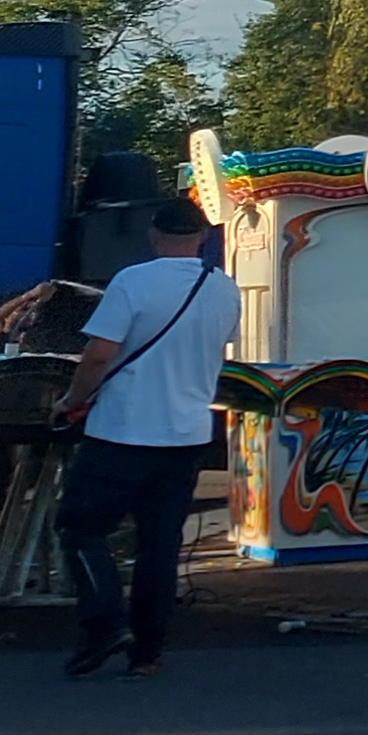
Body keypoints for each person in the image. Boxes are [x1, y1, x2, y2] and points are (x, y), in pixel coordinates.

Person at [49, 199, 237, 680]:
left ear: (153, 236)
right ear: (202, 237)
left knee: (80, 526)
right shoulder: (223, 289)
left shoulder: (132, 282)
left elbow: (99, 355)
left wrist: (71, 400)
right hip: (188, 433)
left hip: (123, 429)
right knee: (159, 544)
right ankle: (148, 653)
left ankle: (105, 623)